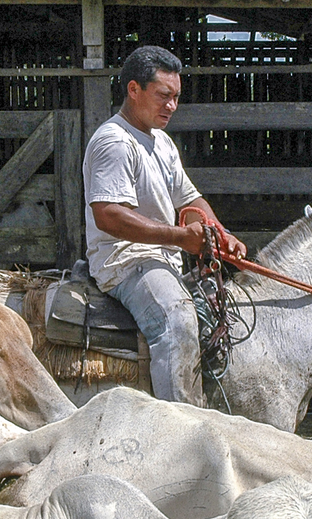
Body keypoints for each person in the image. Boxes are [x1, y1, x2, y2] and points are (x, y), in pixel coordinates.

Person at [83, 45, 246, 404]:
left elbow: (189, 200)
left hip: (158, 259)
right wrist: (181, 238)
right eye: (163, 96)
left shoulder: (161, 142)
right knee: (177, 325)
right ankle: (179, 431)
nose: (171, 106)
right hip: (126, 262)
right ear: (133, 90)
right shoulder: (115, 141)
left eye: (175, 97)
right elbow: (107, 214)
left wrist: (220, 233)